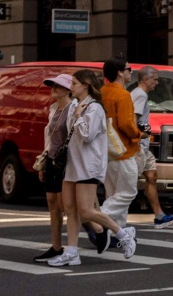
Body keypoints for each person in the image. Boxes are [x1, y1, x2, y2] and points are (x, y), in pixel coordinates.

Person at [60, 69, 136, 265]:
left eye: (74, 83)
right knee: (69, 209)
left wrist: (78, 117)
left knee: (86, 211)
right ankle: (71, 252)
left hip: (88, 165)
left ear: (85, 86)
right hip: (72, 164)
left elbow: (88, 136)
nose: (71, 87)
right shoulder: (75, 105)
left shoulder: (95, 108)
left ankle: (122, 233)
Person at [31, 75, 75, 264]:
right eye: (53, 85)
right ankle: (56, 246)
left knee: (64, 204)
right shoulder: (54, 109)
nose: (54, 88)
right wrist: (43, 161)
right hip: (51, 159)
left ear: (68, 90)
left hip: (65, 161)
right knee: (51, 202)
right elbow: (50, 138)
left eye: (59, 86)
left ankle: (96, 228)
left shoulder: (73, 109)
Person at [98, 59, 144, 234]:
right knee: (127, 192)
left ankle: (115, 233)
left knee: (113, 194)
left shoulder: (101, 92)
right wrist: (139, 134)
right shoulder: (123, 95)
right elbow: (126, 124)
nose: (130, 72)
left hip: (106, 150)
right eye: (128, 69)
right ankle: (97, 216)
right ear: (119, 72)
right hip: (123, 150)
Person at [131, 67, 173, 227]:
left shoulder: (137, 94)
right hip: (138, 146)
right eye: (155, 79)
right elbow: (134, 119)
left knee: (151, 176)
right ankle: (111, 221)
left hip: (143, 147)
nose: (157, 83)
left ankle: (159, 215)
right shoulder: (140, 95)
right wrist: (140, 136)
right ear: (146, 79)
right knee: (129, 185)